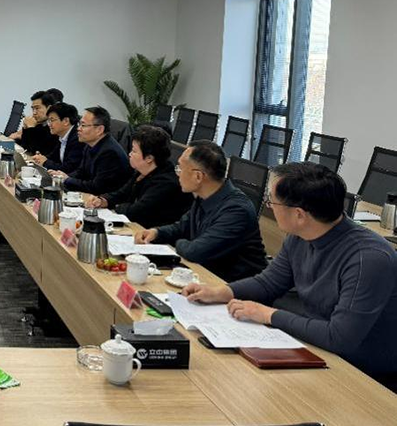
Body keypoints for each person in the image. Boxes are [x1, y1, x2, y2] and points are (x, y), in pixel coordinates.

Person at [183, 162, 397, 383]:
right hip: (315, 347)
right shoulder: (299, 235)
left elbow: (339, 337)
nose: (269, 206)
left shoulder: (368, 258)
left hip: (363, 374)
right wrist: (221, 292)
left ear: (299, 214)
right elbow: (269, 283)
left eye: (272, 201)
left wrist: (268, 315)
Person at [136, 140, 267, 282]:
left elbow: (195, 252)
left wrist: (178, 243)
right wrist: (157, 232)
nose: (177, 174)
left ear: (198, 176)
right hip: (206, 275)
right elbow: (182, 227)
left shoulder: (236, 211)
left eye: (180, 168)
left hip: (234, 286)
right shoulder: (204, 196)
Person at [87, 124, 192, 228]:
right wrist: (103, 200)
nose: (129, 154)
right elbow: (122, 194)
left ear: (149, 158)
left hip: (153, 232)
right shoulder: (142, 171)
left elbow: (136, 212)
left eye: (134, 151)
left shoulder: (166, 182)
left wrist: (117, 206)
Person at [53, 106, 130, 196]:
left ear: (99, 130)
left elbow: (96, 187)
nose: (78, 128)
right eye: (79, 124)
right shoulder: (90, 144)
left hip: (107, 200)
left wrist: (67, 180)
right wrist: (63, 176)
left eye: (83, 125)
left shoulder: (110, 153)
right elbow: (81, 172)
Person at [32, 102, 82, 174]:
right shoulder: (62, 136)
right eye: (48, 121)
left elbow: (69, 169)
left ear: (66, 121)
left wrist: (45, 162)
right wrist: (40, 158)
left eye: (52, 120)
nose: (49, 124)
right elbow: (53, 156)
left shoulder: (78, 139)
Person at [10, 91, 58, 156]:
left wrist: (30, 128)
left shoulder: (54, 128)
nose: (34, 113)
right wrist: (26, 128)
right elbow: (25, 147)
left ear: (49, 108)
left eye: (37, 108)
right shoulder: (39, 124)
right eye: (33, 109)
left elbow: (37, 152)